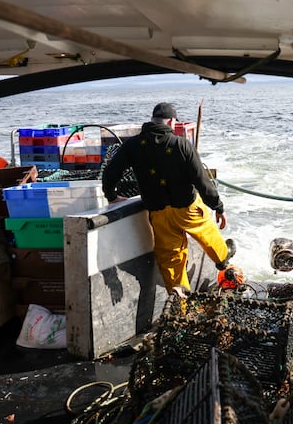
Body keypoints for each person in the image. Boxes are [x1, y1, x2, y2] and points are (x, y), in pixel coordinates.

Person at [101, 102, 235, 293]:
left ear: (152, 120)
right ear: (171, 121)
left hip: (158, 213)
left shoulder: (133, 145)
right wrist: (218, 207)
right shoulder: (181, 144)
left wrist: (111, 196)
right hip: (187, 208)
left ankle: (180, 305)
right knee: (208, 233)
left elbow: (110, 172)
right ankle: (223, 261)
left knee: (171, 260)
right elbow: (202, 181)